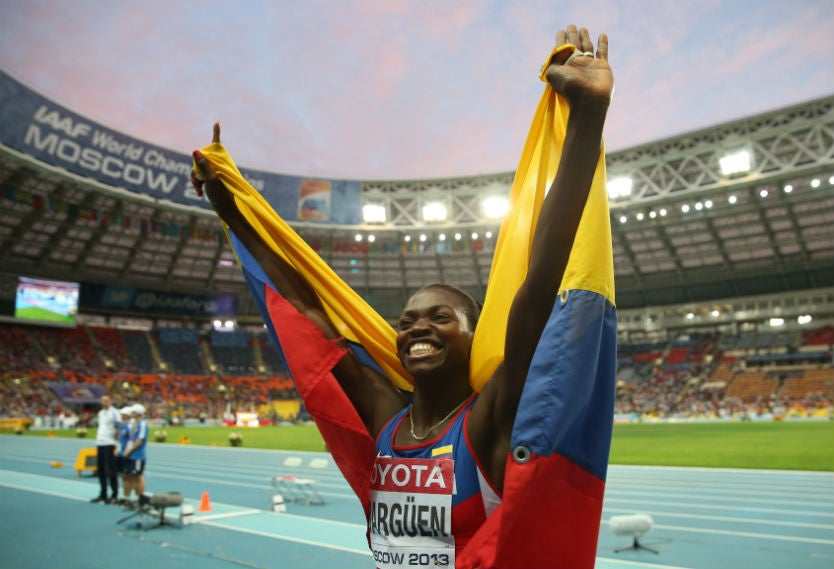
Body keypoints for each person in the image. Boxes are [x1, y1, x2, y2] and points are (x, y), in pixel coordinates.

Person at [193, 24, 614, 567]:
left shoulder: (487, 421)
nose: (417, 327)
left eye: (440, 317)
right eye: (408, 320)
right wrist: (233, 211)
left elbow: (538, 286)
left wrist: (587, 117)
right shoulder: (385, 417)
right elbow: (308, 314)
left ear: (475, 337)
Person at [91, 394, 120, 504]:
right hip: (100, 443)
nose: (104, 402)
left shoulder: (115, 412)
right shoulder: (100, 413)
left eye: (106, 400)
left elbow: (119, 426)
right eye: (102, 400)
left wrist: (116, 440)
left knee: (111, 470)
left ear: (110, 401)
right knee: (101, 470)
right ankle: (103, 494)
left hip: (109, 443)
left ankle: (114, 495)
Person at [122, 404, 149, 506]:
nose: (131, 413)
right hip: (133, 455)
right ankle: (135, 498)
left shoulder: (142, 424)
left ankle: (140, 499)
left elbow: (140, 440)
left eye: (133, 412)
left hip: (138, 455)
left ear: (138, 413)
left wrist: (130, 451)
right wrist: (127, 450)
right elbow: (131, 439)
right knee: (132, 477)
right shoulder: (134, 424)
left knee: (138, 477)